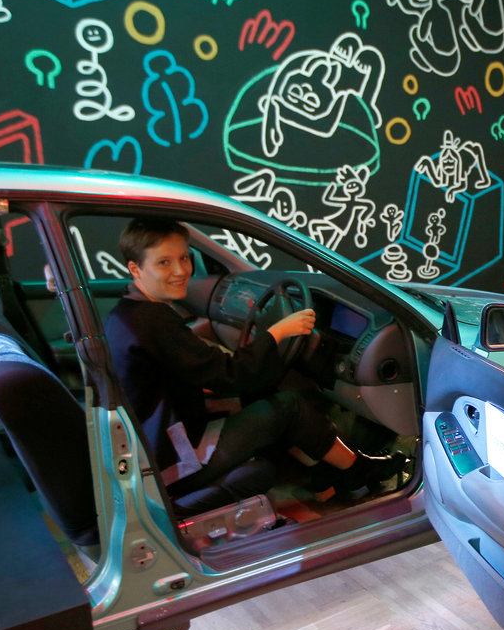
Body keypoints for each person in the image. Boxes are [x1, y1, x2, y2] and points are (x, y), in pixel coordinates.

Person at [103, 218, 403, 511]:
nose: (181, 270)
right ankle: (358, 470)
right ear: (135, 268)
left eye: (184, 258)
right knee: (290, 406)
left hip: (153, 446)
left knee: (261, 394)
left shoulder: (127, 313)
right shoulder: (153, 320)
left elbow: (194, 370)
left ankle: (324, 476)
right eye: (164, 263)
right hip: (174, 460)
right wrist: (277, 333)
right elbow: (233, 373)